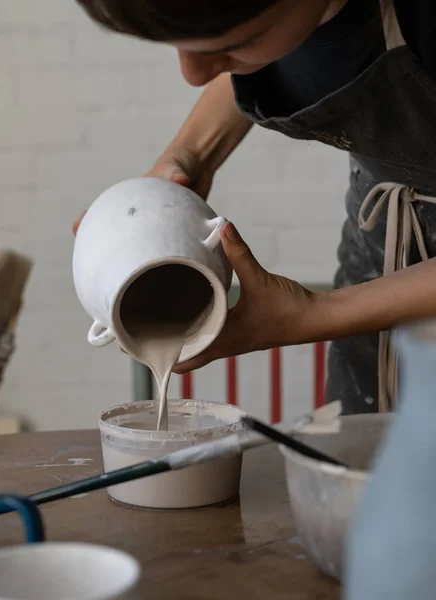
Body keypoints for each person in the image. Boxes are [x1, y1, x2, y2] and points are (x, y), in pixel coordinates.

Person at [73, 0, 436, 415]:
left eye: (240, 42)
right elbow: (256, 48)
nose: (191, 75)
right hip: (380, 252)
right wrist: (190, 156)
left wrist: (312, 315)